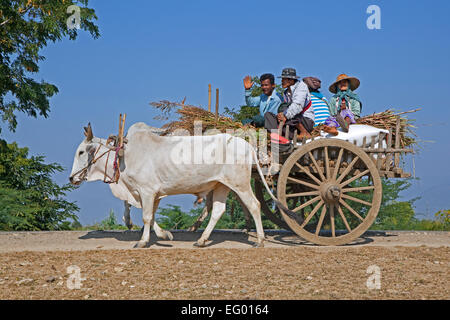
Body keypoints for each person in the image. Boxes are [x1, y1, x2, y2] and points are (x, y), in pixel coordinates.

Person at [264, 68, 315, 139]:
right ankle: (279, 138)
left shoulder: (301, 87)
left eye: (283, 79)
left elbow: (298, 106)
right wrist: (280, 115)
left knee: (288, 109)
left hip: (305, 121)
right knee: (268, 115)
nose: (281, 81)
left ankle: (304, 132)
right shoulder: (286, 93)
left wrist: (284, 115)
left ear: (291, 80)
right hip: (291, 123)